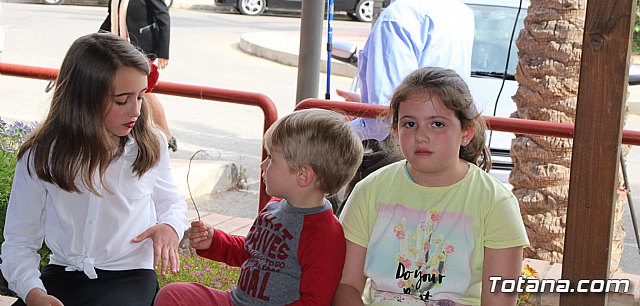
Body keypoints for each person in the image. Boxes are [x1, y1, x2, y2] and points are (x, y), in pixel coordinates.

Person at [0, 32, 189, 306]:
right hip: (62, 275)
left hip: (130, 277)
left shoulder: (150, 144)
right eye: (122, 100)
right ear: (83, 99)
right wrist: (33, 293)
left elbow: (171, 201)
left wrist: (171, 226)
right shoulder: (40, 155)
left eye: (140, 97)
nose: (135, 111)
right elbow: (19, 241)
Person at [333, 67, 528, 306]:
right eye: (410, 124)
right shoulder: (369, 191)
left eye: (437, 124)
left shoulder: (496, 203)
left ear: (466, 132)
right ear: (395, 131)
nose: (421, 136)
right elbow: (346, 286)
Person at [335, 0, 475, 213]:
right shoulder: (457, 9)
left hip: (399, 153)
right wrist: (364, 104)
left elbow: (384, 117)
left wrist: (347, 126)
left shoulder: (397, 17)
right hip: (444, 146)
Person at [154, 108, 365, 306]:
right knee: (172, 295)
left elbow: (315, 300)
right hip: (236, 300)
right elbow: (251, 252)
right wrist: (214, 241)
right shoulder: (274, 208)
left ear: (303, 175)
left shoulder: (325, 233)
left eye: (271, 159)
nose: (263, 166)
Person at [99, 0, 177, 152]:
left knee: (146, 93)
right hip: (117, 49)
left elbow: (163, 18)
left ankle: (167, 137)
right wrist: (96, 39)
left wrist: (163, 53)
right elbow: (112, 15)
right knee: (121, 92)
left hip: (140, 49)